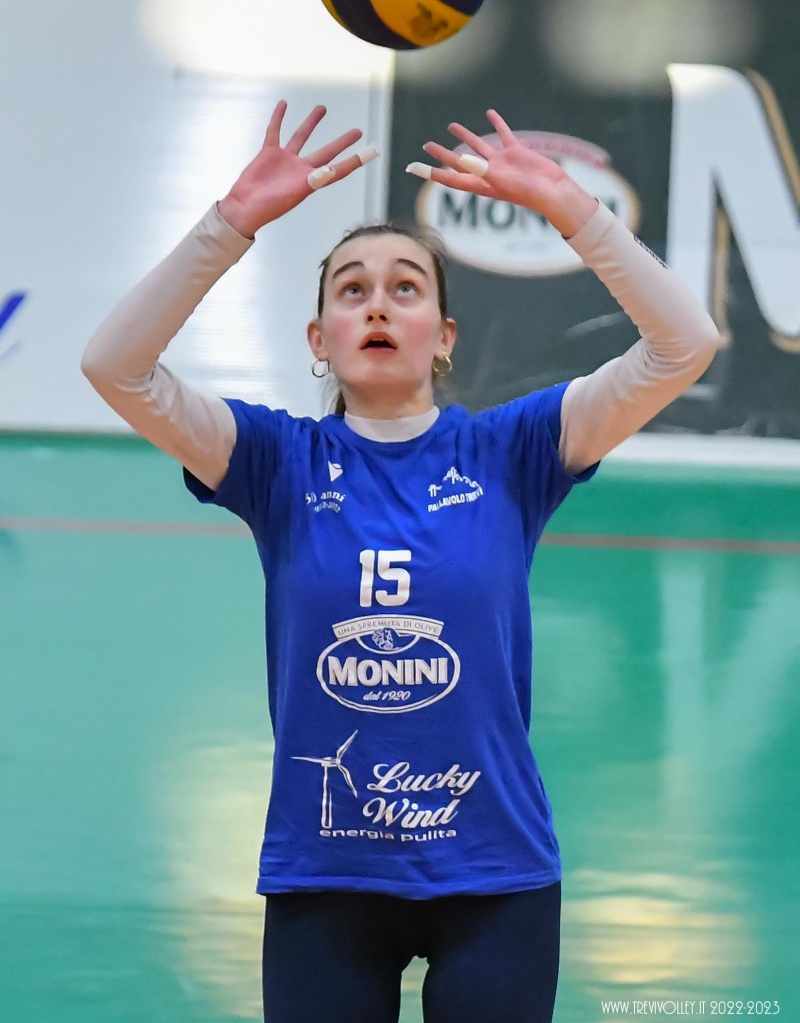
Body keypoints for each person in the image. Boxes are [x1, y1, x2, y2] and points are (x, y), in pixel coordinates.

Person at [81, 100, 719, 1023]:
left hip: (494, 871)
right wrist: (231, 222)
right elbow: (115, 366)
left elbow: (685, 345)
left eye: (406, 287)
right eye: (351, 290)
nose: (377, 302)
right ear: (318, 340)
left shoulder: (513, 450)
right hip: (326, 872)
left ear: (444, 336)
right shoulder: (275, 461)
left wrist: (572, 208)